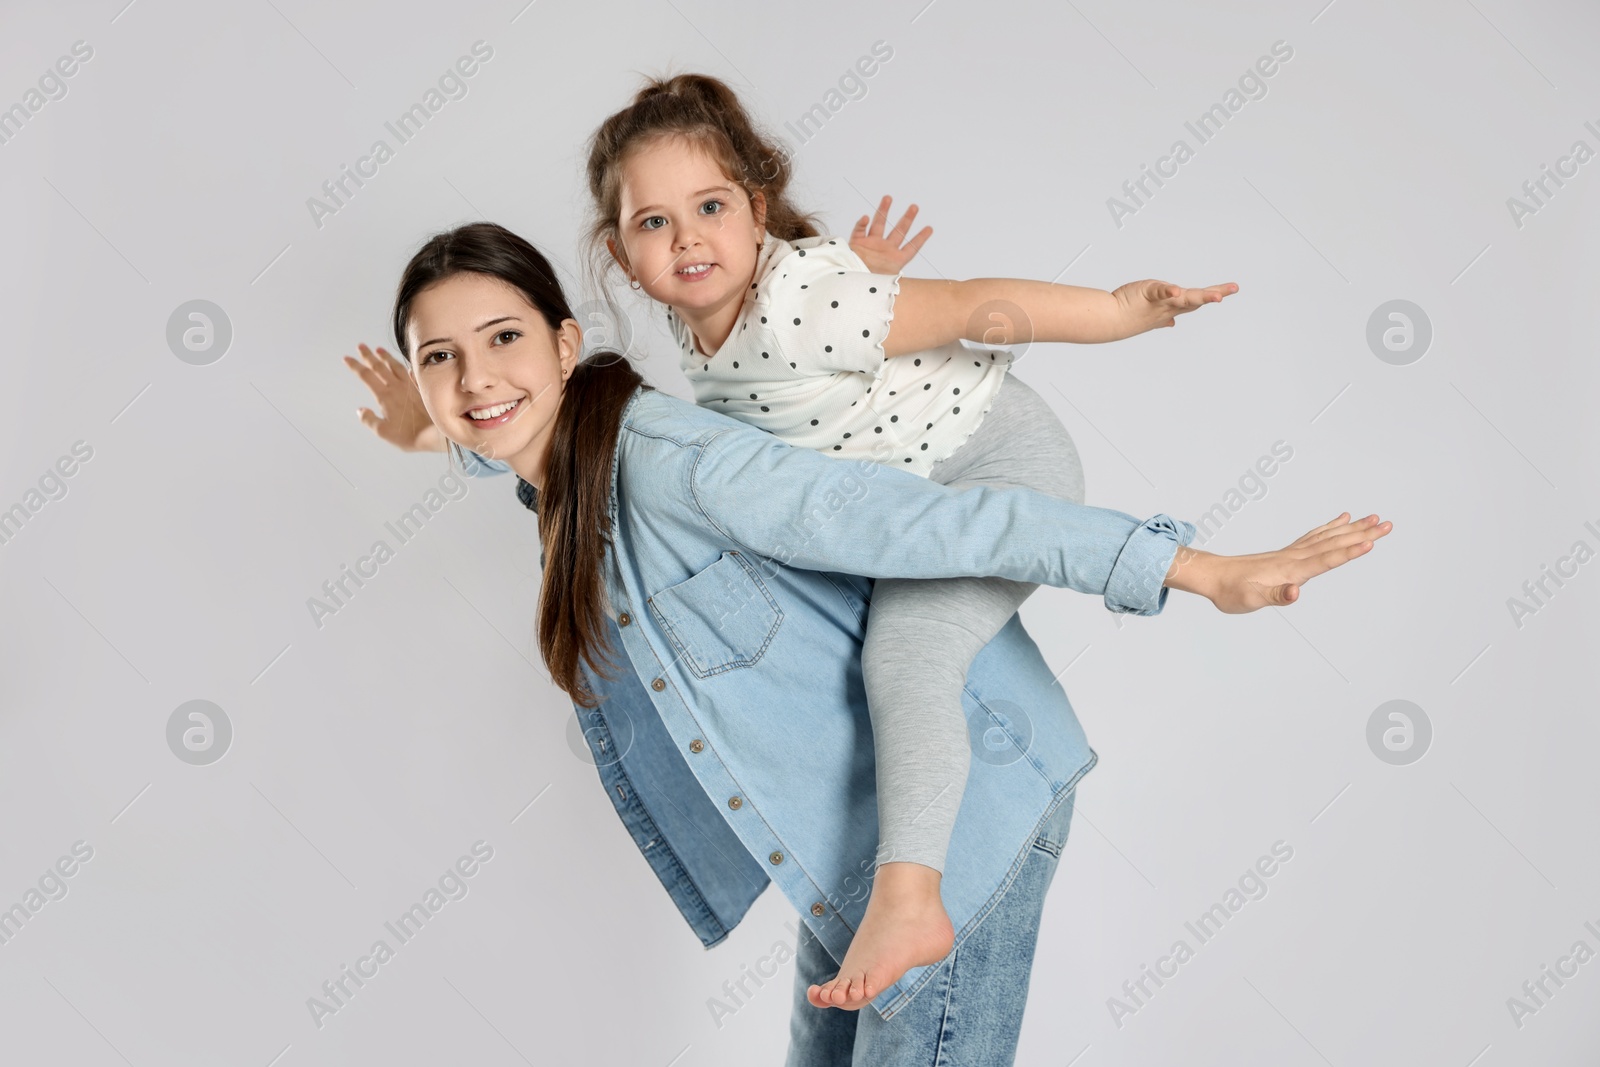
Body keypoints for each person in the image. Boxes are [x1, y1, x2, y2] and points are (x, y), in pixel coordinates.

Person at [344, 220, 1390, 1063]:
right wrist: (420, 427)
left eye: (502, 338)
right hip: (856, 843)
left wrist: (1198, 569)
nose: (476, 376)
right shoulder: (551, 462)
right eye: (441, 356)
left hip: (959, 821)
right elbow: (490, 430)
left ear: (566, 343)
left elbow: (927, 524)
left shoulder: (670, 461)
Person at [581, 71, 1244, 1010]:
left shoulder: (801, 302)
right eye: (655, 222)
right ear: (620, 251)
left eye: (712, 205)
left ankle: (913, 892)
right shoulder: (706, 342)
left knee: (906, 655)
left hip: (994, 457)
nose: (687, 236)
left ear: (756, 211)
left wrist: (1118, 311)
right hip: (915, 484)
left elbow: (977, 305)